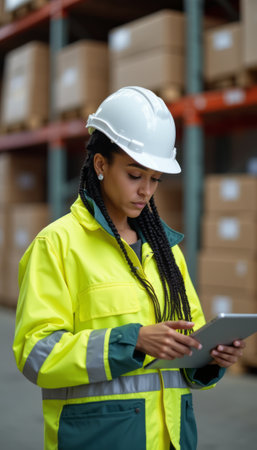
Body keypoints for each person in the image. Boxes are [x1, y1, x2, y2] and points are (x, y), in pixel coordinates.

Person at [13, 86, 245, 450]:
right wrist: (131, 341)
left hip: (171, 440)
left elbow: (189, 342)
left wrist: (210, 360)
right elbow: (36, 355)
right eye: (135, 176)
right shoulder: (57, 246)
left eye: (155, 179)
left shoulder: (165, 251)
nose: (146, 191)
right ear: (101, 165)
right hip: (99, 439)